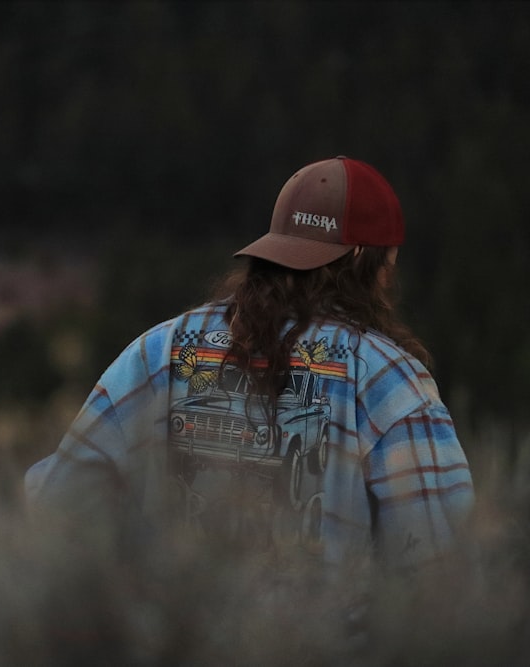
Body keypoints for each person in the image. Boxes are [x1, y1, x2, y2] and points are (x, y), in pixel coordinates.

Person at [24, 156, 474, 577]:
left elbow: (57, 501)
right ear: (362, 259)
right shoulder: (386, 378)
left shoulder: (159, 351)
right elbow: (439, 566)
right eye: (389, 264)